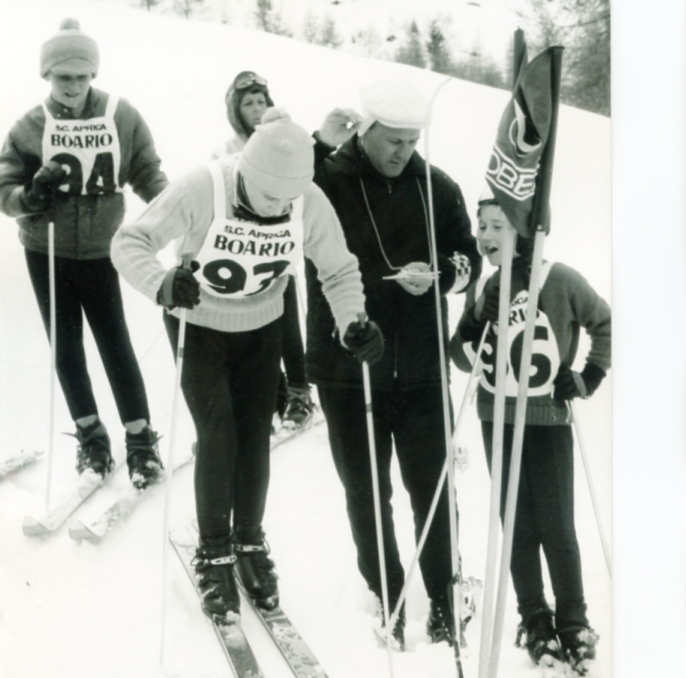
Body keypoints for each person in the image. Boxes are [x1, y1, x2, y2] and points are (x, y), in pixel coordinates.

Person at [112, 111, 380, 621]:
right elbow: (129, 241)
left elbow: (339, 268)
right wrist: (161, 283)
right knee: (218, 433)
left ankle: (249, 541)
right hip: (199, 324)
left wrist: (354, 323)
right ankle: (214, 551)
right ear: (246, 173)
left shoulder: (307, 199)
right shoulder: (203, 186)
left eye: (287, 199)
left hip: (261, 325)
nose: (277, 207)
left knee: (255, 435)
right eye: (268, 196)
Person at [306, 73, 480, 645]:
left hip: (422, 366)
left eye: (412, 142)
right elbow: (282, 197)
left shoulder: (437, 186)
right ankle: (388, 592)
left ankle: (445, 597)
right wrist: (317, 144)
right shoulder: (325, 179)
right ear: (366, 129)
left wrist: (443, 276)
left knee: (433, 488)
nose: (403, 153)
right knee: (365, 489)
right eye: (393, 142)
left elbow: (469, 259)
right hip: (347, 366)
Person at [0, 18, 168, 485]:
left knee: (115, 342)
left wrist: (173, 209)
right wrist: (30, 197)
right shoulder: (30, 125)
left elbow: (146, 170)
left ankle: (140, 439)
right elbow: (4, 189)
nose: (72, 86)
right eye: (62, 77)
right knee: (67, 346)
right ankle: (92, 437)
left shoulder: (120, 115)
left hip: (100, 249)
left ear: (93, 73)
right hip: (46, 249)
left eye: (81, 76)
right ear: (47, 75)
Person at [452, 196, 610, 667]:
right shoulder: (485, 285)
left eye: (497, 226)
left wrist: (587, 377)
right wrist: (476, 328)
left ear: (524, 233)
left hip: (546, 421)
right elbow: (459, 351)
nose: (484, 235)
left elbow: (605, 322)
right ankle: (534, 617)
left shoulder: (559, 280)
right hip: (496, 418)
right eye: (481, 226)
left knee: (557, 526)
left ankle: (573, 621)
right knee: (517, 524)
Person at [219, 71, 313, 430]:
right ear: (236, 110)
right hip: (244, 247)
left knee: (286, 317)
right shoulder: (227, 149)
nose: (257, 109)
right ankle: (275, 389)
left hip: (278, 240)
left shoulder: (283, 141)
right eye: (248, 103)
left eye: (261, 101)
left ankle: (300, 390)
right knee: (257, 323)